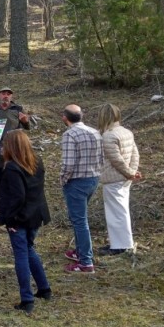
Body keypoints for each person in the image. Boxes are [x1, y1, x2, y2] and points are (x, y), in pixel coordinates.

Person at [0, 130, 52, 315]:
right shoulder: (36, 162)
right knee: (28, 249)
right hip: (35, 215)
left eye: (5, 144)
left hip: (20, 218)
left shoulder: (13, 168)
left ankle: (26, 299)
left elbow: (17, 196)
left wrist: (10, 219)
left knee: (21, 254)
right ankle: (44, 289)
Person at [60, 104, 103, 273]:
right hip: (93, 178)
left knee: (79, 221)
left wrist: (63, 180)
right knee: (80, 219)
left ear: (65, 118)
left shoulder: (70, 135)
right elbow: (102, 157)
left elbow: (68, 164)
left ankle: (86, 262)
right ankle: (80, 252)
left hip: (76, 181)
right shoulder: (95, 132)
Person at [97, 103, 141, 256]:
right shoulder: (126, 132)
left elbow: (116, 160)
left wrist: (130, 172)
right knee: (121, 211)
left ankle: (121, 245)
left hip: (114, 178)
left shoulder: (108, 135)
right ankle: (120, 242)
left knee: (116, 213)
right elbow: (135, 154)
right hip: (124, 178)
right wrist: (132, 172)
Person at [0, 87, 30, 191]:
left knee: (16, 170)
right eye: (3, 93)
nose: (6, 96)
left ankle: (17, 195)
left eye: (8, 94)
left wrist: (25, 121)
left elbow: (26, 127)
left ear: (11, 96)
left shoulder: (18, 109)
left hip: (14, 145)